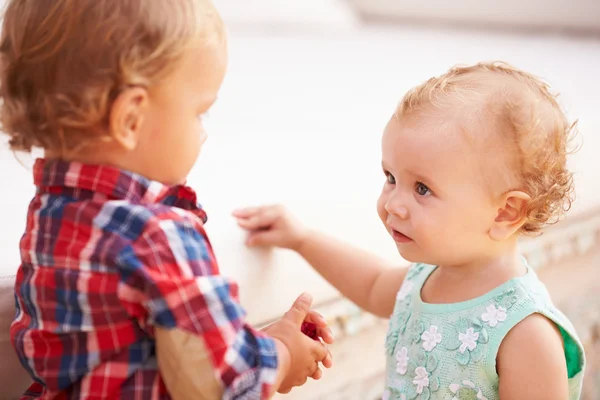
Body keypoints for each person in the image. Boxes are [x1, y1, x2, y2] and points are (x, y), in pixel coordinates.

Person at [1, 0, 332, 398]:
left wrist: (251, 340)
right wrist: (283, 354)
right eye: (199, 113)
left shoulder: (49, 212)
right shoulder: (157, 235)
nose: (204, 133)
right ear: (130, 119)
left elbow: (157, 354)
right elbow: (226, 386)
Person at [235, 62, 586, 399]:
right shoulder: (425, 279)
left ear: (505, 212)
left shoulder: (525, 333)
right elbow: (372, 285)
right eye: (391, 178)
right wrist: (302, 239)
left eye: (422, 189)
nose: (393, 204)